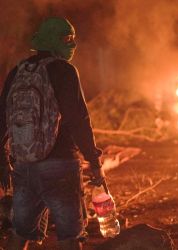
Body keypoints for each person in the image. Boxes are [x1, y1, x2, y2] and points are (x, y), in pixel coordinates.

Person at [0, 17, 105, 250]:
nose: (72, 44)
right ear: (53, 40)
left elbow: (2, 118)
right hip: (61, 166)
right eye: (67, 39)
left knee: (19, 233)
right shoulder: (64, 71)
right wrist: (94, 160)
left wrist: (3, 159)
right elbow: (78, 119)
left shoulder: (18, 71)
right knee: (70, 236)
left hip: (25, 165)